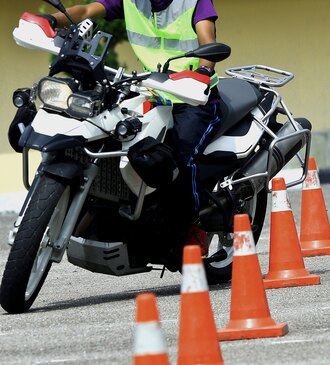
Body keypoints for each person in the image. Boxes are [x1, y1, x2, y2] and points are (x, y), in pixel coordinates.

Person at [43, 0, 222, 256]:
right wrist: (50, 21)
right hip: (153, 91)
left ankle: (193, 225)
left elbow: (208, 39)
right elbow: (85, 11)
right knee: (109, 135)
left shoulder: (193, 1)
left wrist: (204, 69)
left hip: (194, 97)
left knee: (180, 160)